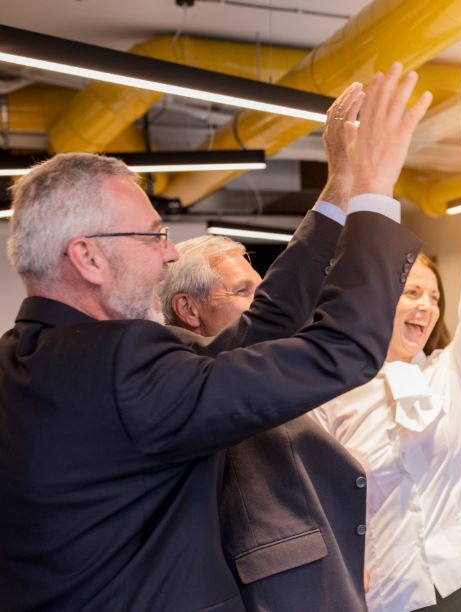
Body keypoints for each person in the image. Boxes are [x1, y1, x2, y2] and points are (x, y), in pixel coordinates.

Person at [0, 69, 429, 611]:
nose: (170, 253)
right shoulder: (122, 372)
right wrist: (372, 193)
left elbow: (248, 340)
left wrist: (337, 196)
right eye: (153, 234)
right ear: (87, 257)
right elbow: (339, 351)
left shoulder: (34, 361)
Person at [157, 78, 375, 611]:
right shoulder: (187, 371)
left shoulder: (257, 369)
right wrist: (346, 186)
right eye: (242, 292)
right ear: (190, 310)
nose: (262, 303)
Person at [313, 78, 461, 612]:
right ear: (378, 297)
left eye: (433, 297)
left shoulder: (450, 373)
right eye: (410, 293)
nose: (426, 307)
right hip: (393, 593)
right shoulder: (332, 393)